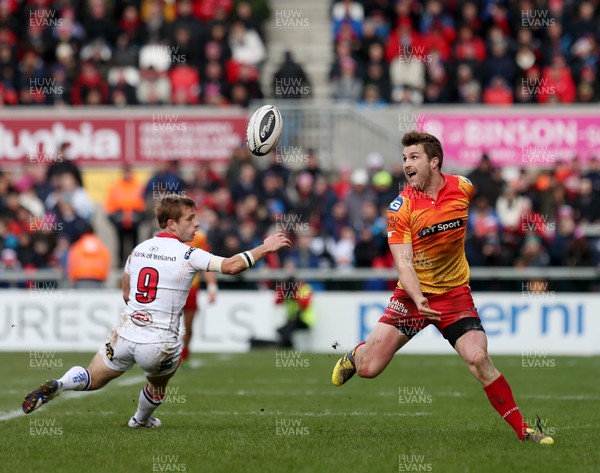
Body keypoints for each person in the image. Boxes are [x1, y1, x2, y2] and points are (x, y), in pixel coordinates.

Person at [331, 131, 554, 445]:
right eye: (405, 158)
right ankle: (356, 354)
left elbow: (502, 192)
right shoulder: (400, 207)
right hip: (412, 297)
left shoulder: (463, 187)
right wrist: (418, 296)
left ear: (434, 162)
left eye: (414, 157)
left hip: (454, 295)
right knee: (369, 369)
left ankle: (524, 430)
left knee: (478, 358)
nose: (406, 164)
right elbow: (403, 262)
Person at [22, 194, 291, 428]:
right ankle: (140, 420)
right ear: (172, 224)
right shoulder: (188, 254)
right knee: (158, 386)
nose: (197, 223)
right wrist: (265, 248)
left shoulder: (138, 250)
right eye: (190, 218)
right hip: (160, 342)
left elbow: (126, 293)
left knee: (93, 378)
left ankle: (60, 383)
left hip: (126, 334)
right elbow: (232, 266)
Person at [180, 230, 218, 367]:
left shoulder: (199, 237)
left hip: (191, 288)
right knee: (166, 325)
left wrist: (212, 287)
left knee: (188, 327)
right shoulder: (166, 235)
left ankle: (184, 356)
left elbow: (206, 263)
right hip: (170, 288)